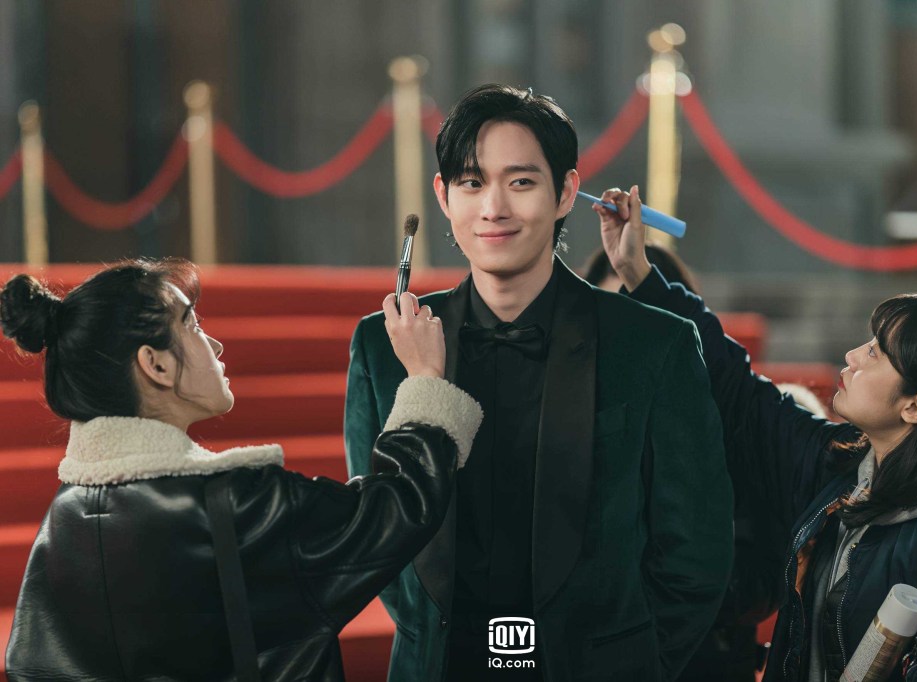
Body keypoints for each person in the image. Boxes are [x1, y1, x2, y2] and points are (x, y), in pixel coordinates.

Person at [345, 84, 733, 682]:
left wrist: (632, 661)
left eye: (521, 182)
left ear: (566, 193)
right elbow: (379, 533)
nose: (493, 208)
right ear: (443, 197)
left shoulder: (655, 343)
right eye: (472, 183)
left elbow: (697, 550)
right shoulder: (385, 344)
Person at [592, 186, 917, 681]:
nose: (852, 357)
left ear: (916, 405)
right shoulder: (844, 472)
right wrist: (637, 271)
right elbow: (743, 398)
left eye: (876, 353)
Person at [1, 259, 483, 682]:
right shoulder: (241, 504)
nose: (214, 344)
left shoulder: (62, 519)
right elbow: (399, 507)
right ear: (155, 365)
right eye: (192, 326)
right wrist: (424, 376)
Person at [584, 243, 787, 682]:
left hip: (705, 655)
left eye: (641, 316)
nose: (627, 336)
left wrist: (669, 598)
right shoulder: (569, 414)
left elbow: (762, 574)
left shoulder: (729, 419)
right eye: (613, 316)